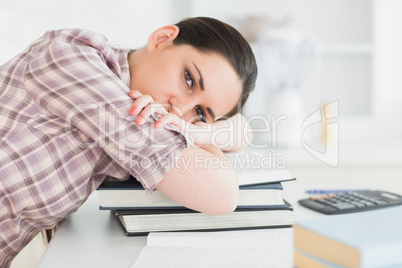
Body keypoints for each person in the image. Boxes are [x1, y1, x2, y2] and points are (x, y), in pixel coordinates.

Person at [0, 17, 257, 266]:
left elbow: (244, 131)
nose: (179, 109)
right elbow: (222, 196)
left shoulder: (146, 117)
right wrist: (197, 129)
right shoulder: (76, 57)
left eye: (200, 112)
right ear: (162, 39)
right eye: (188, 79)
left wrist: (200, 132)